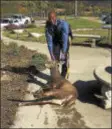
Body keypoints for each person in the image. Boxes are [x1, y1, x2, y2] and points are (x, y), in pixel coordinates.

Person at [45, 10, 73, 78]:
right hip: (56, 40)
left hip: (65, 39)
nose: (51, 20)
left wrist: (63, 52)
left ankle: (64, 75)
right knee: (55, 58)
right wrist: (51, 54)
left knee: (63, 59)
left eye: (53, 18)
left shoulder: (64, 24)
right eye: (50, 18)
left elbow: (65, 39)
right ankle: (56, 76)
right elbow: (49, 42)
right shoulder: (48, 27)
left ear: (56, 17)